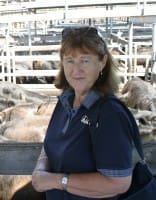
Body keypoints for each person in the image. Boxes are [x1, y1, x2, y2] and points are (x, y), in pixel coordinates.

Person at [32, 26, 134, 199]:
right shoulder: (65, 102)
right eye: (69, 60)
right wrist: (40, 168)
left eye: (85, 60)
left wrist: (56, 181)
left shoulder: (110, 113)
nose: (76, 69)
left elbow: (119, 183)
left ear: (102, 63)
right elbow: (51, 143)